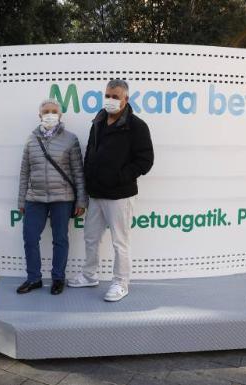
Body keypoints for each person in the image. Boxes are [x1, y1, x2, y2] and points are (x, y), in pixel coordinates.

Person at [68, 79, 154, 302]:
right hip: (96, 194)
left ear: (126, 99)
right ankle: (89, 275)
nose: (111, 100)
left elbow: (145, 161)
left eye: (116, 97)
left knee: (120, 242)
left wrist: (118, 177)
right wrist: (87, 183)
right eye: (108, 95)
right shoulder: (97, 121)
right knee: (90, 237)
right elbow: (90, 154)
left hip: (120, 196)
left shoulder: (137, 126)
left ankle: (120, 283)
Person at [17, 98, 87, 295]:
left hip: (62, 198)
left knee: (60, 239)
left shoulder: (70, 139)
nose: (49, 114)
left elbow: (78, 173)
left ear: (60, 115)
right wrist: (22, 200)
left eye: (53, 111)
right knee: (30, 238)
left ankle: (58, 278)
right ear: (40, 115)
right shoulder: (31, 139)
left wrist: (81, 200)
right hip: (35, 198)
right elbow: (24, 173)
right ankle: (33, 279)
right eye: (46, 111)